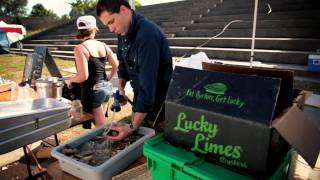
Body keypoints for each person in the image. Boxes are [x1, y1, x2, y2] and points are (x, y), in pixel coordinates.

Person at [96, 0, 173, 141]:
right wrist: (121, 87)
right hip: (141, 104)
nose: (111, 29)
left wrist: (132, 127)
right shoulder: (123, 31)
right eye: (107, 25)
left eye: (111, 21)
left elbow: (147, 87)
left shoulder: (147, 35)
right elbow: (123, 64)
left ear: (124, 10)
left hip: (160, 111)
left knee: (153, 151)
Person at [65, 15, 119, 127]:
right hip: (106, 88)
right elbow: (116, 65)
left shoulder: (80, 48)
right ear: (94, 29)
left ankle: (109, 142)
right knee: (100, 126)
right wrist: (108, 78)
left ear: (79, 30)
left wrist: (70, 80)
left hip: (93, 91)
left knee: (101, 130)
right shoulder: (103, 45)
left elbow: (83, 76)